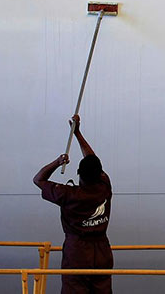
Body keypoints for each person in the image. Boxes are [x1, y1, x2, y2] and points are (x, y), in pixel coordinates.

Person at [33, 114, 113, 293]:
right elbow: (93, 160)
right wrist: (78, 134)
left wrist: (57, 161)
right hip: (101, 252)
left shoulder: (69, 195)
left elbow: (38, 180)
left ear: (79, 174)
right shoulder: (104, 186)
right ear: (100, 174)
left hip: (77, 253)